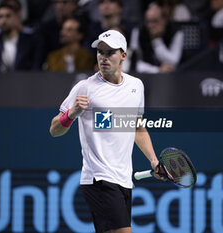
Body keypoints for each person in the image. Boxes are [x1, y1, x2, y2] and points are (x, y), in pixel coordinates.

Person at [49, 29, 165, 233]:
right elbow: (54, 129)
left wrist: (154, 160)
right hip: (98, 178)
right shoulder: (84, 87)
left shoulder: (136, 86)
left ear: (123, 56)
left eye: (110, 52)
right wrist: (72, 113)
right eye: (100, 51)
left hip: (124, 180)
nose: (103, 57)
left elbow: (137, 128)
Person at [127, 2, 184, 73]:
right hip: (145, 75)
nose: (150, 26)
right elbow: (133, 62)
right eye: (148, 21)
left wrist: (156, 40)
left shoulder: (176, 32)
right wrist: (157, 70)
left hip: (169, 76)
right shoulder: (138, 31)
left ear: (164, 21)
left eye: (154, 21)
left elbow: (174, 61)